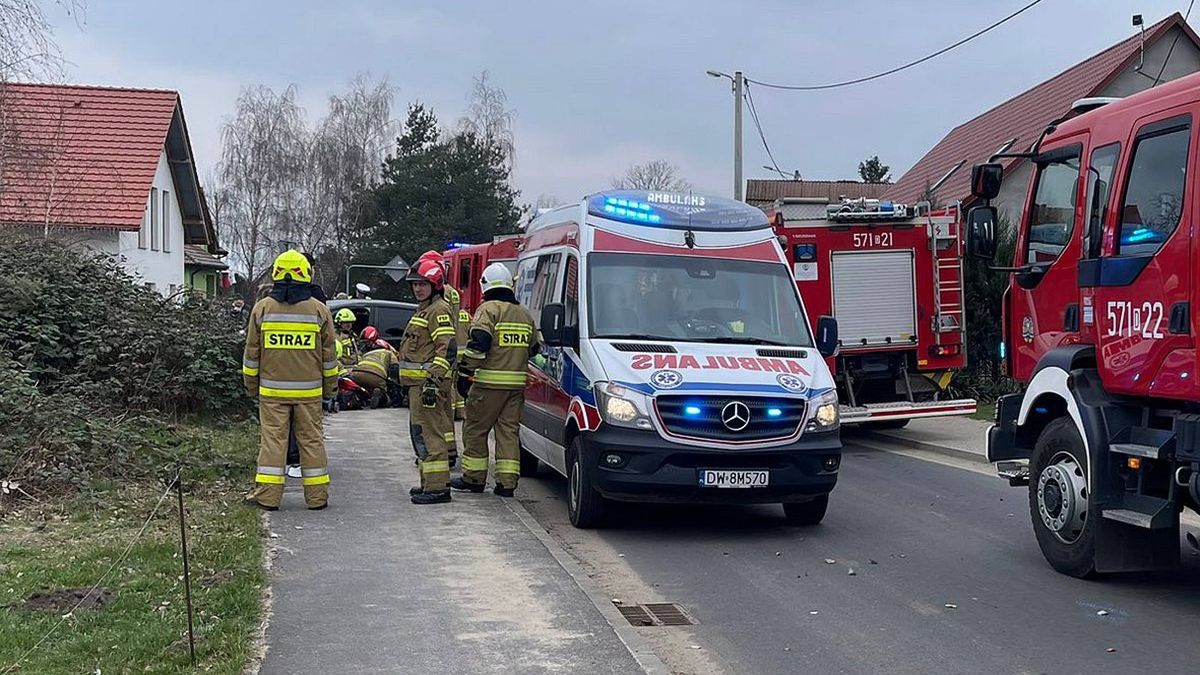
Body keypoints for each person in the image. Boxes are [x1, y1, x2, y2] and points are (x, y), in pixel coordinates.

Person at [242, 249, 338, 511]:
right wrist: (329, 389)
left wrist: (251, 386)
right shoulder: (319, 311)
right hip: (309, 394)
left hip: (272, 393)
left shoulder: (262, 309)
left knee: (273, 442)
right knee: (312, 442)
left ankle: (268, 497)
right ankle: (317, 498)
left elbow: (251, 354)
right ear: (306, 275)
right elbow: (329, 358)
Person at [450, 263, 539, 497]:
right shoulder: (524, 314)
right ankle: (507, 484)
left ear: (485, 285)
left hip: (487, 386)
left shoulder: (488, 310)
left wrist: (464, 373)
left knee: (475, 430)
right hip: (515, 387)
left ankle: (474, 478)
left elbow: (479, 344)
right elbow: (535, 348)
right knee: (508, 433)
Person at [401, 259, 457, 505]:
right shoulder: (424, 309)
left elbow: (447, 349)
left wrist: (433, 380)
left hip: (428, 386)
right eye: (415, 284)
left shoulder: (438, 310)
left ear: (435, 285)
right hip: (419, 386)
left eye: (422, 284)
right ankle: (428, 483)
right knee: (420, 434)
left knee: (430, 435)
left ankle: (437, 488)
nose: (417, 289)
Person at [418, 250, 466, 460]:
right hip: (448, 356)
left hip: (439, 358)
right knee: (445, 408)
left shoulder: (439, 298)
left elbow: (439, 328)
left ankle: (444, 452)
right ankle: (449, 449)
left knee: (440, 410)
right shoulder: (452, 293)